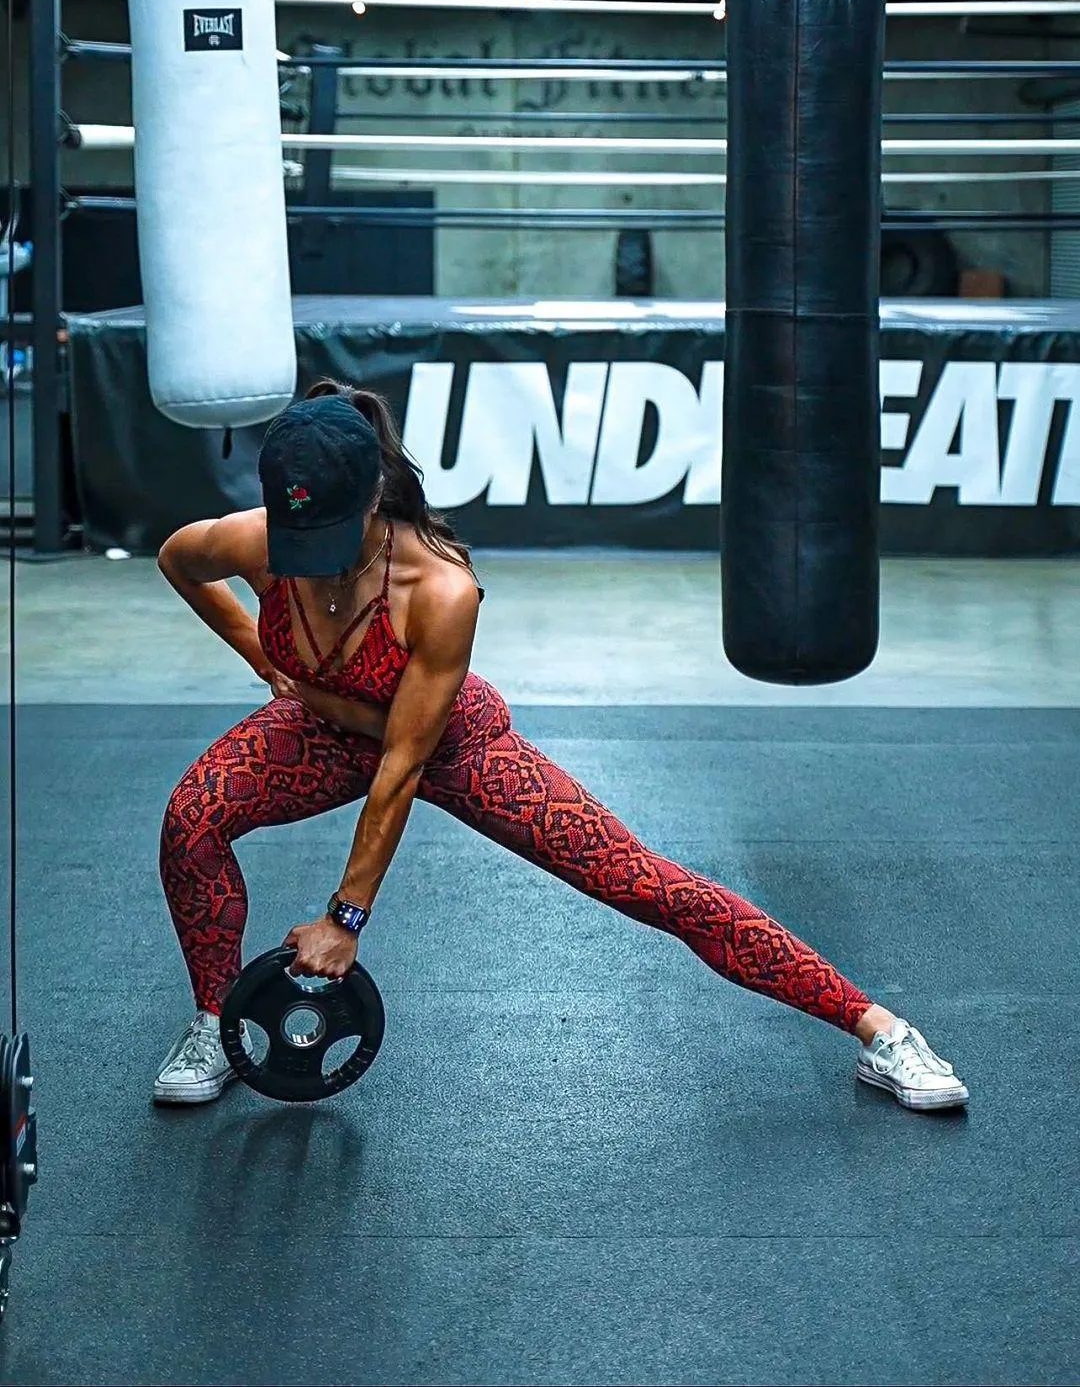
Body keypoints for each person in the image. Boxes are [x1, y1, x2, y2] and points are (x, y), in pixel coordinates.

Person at [153, 379, 969, 1113]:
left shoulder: (438, 589)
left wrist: (346, 915)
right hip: (327, 731)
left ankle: (880, 1029)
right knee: (191, 818)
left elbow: (401, 764)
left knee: (643, 882)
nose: (309, 563)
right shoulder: (256, 540)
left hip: (451, 746)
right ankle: (216, 1017)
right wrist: (265, 659)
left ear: (373, 499)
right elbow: (178, 559)